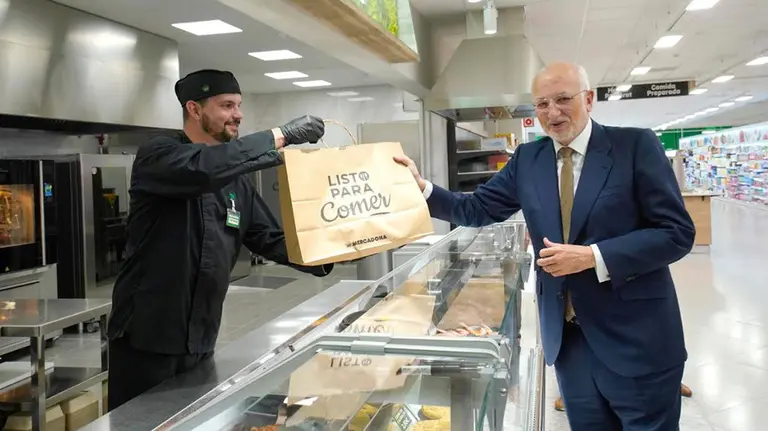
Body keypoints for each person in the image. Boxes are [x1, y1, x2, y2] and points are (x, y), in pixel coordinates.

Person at [395, 62, 694, 430]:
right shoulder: (528, 160)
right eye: (541, 104)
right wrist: (421, 188)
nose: (552, 113)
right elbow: (476, 208)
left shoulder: (634, 146)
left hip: (636, 339)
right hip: (568, 343)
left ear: (589, 99)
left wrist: (593, 257)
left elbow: (676, 232)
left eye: (563, 99)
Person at [106, 69, 331, 411]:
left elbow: (271, 239)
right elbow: (202, 169)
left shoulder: (236, 181)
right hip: (147, 339)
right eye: (227, 105)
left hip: (201, 336)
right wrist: (279, 135)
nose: (238, 114)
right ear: (195, 110)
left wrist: (344, 246)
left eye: (239, 106)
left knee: (191, 419)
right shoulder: (159, 155)